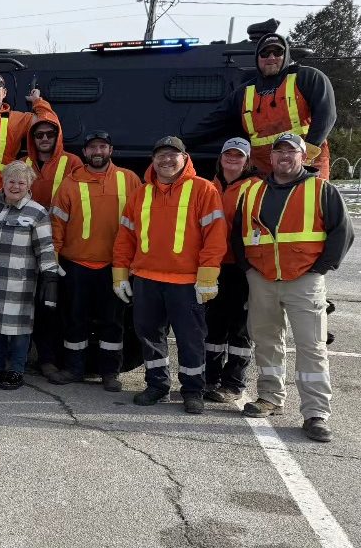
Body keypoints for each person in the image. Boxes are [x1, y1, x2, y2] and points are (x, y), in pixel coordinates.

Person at [232, 133, 353, 442]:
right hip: (262, 279)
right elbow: (238, 235)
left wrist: (320, 270)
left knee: (311, 346)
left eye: (291, 151)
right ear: (270, 158)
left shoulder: (321, 190)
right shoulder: (253, 192)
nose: (284, 156)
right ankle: (270, 397)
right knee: (267, 340)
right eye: (279, 151)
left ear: (304, 157)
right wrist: (248, 270)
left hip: (305, 280)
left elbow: (342, 233)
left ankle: (315, 413)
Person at [113, 136, 227, 414]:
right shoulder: (141, 193)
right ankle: (156, 385)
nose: (166, 160)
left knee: (191, 340)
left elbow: (215, 237)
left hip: (186, 283)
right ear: (153, 160)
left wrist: (208, 278)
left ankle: (193, 390)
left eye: (172, 155)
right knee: (150, 336)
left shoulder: (203, 190)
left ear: (185, 158)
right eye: (160, 155)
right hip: (147, 280)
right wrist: (120, 275)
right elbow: (125, 237)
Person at [48, 130, 141, 390]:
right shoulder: (70, 183)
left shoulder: (129, 179)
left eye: (102, 147)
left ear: (110, 150)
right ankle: (74, 369)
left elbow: (142, 224)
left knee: (113, 321)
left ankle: (110, 373)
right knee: (75, 319)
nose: (97, 152)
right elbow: (57, 225)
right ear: (85, 152)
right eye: (92, 148)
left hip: (115, 267)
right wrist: (53, 259)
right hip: (77, 265)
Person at [187, 33, 336, 179]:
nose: (271, 57)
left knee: (310, 202)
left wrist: (305, 155)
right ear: (257, 58)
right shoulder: (244, 92)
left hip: (305, 164)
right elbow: (214, 122)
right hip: (264, 170)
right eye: (264, 53)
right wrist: (178, 143)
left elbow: (326, 116)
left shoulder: (307, 77)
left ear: (286, 55)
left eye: (278, 52)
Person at [0, 160, 59, 390]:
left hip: (18, 282)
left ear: (29, 185)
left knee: (19, 329)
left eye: (21, 182)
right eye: (11, 181)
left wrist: (50, 277)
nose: (15, 186)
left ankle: (16, 371)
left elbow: (45, 248)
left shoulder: (37, 212)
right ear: (4, 181)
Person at [23, 116, 82, 378]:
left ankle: (52, 360)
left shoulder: (72, 162)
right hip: (28, 245)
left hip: (60, 244)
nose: (44, 139)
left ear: (57, 137)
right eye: (39, 135)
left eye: (49, 134)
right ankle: (33, 355)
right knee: (31, 303)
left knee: (55, 305)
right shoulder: (23, 163)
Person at [202, 138, 259, 403]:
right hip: (213, 267)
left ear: (247, 161)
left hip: (242, 267)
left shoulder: (256, 188)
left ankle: (233, 383)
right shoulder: (208, 186)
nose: (232, 159)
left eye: (239, 155)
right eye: (228, 154)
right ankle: (209, 379)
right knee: (213, 326)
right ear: (221, 157)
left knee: (239, 328)